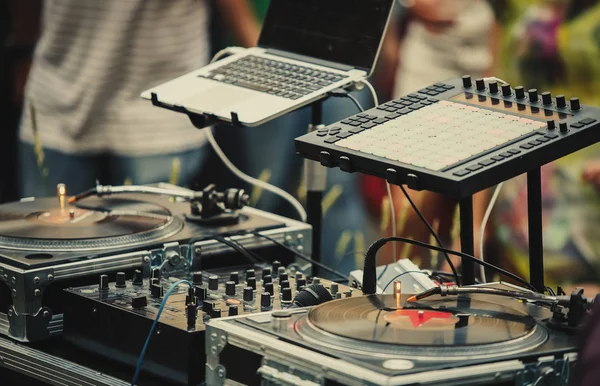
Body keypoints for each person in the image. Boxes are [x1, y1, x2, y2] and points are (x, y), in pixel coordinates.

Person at [15, 0, 261, 198]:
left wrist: (261, 59)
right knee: (52, 249)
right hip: (58, 99)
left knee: (154, 252)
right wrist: (22, 51)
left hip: (160, 111)